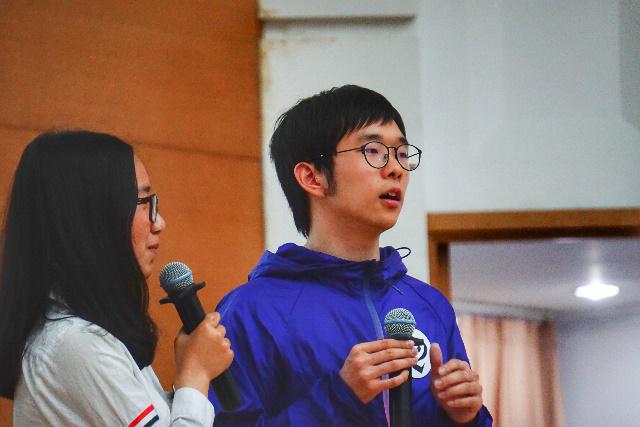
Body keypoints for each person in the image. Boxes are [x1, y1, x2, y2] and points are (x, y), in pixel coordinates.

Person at [211, 85, 493, 426]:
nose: (396, 169)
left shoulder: (429, 305)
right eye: (374, 151)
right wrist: (338, 397)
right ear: (312, 177)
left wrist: (466, 417)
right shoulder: (252, 311)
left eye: (402, 154)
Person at [0, 131, 233, 426]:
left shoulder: (90, 334)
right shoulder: (75, 345)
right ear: (91, 218)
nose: (159, 223)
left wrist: (192, 374)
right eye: (144, 202)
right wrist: (195, 373)